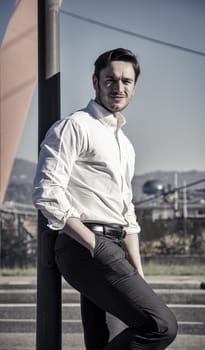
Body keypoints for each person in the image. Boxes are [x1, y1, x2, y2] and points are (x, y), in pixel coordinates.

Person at [33, 48, 177, 350]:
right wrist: (93, 244)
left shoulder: (124, 143)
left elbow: (127, 212)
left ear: (134, 87)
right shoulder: (76, 126)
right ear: (95, 82)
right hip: (87, 246)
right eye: (110, 79)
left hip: (114, 247)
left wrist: (136, 270)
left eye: (126, 81)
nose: (118, 87)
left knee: (105, 342)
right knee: (160, 326)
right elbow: (47, 192)